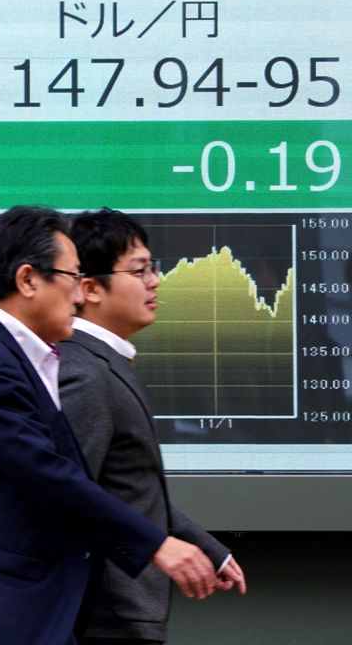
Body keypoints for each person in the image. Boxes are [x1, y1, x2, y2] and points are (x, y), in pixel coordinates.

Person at [0, 206, 220, 645]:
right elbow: (49, 474)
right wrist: (157, 545)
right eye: (70, 277)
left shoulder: (24, 358)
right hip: (4, 610)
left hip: (30, 609)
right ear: (28, 280)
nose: (79, 297)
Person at [60, 208, 247, 645]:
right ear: (89, 288)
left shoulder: (105, 364)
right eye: (140, 270)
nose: (155, 281)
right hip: (106, 615)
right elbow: (72, 497)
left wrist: (207, 547)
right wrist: (159, 547)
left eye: (154, 268)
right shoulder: (84, 375)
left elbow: (129, 491)